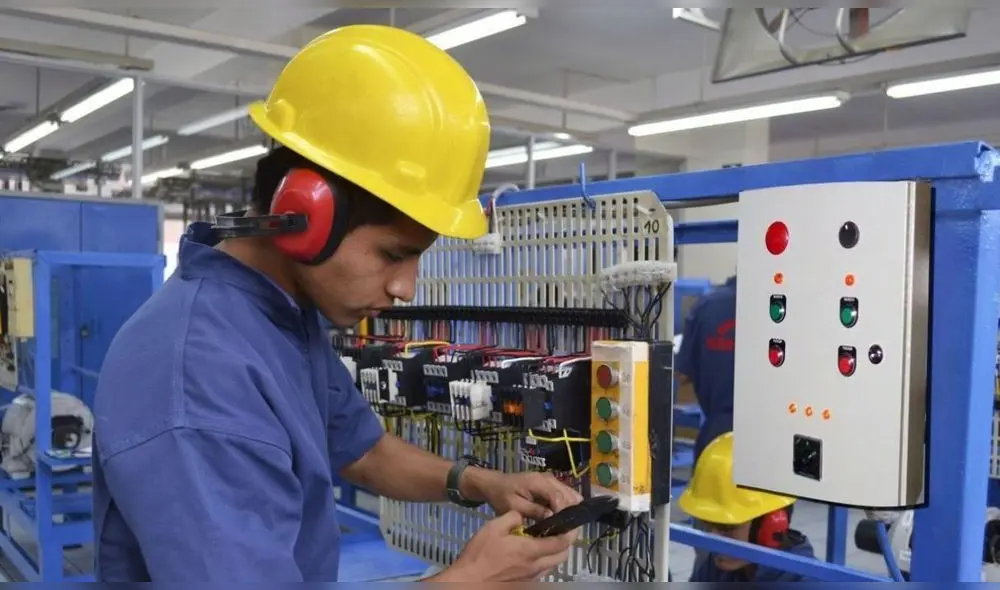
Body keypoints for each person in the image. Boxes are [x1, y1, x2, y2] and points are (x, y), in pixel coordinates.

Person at [91, 25, 582, 582]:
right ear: (305, 217)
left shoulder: (278, 317)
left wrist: (480, 483)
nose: (407, 289)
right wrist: (466, 580)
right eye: (394, 254)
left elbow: (361, 451)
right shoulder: (201, 377)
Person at [678, 433, 816, 582]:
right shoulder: (718, 569)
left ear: (771, 525)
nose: (713, 537)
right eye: (707, 524)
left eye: (727, 528)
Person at [675, 274, 737, 466]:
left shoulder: (706, 306)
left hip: (714, 441)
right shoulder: (784, 308)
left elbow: (682, 374)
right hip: (768, 441)